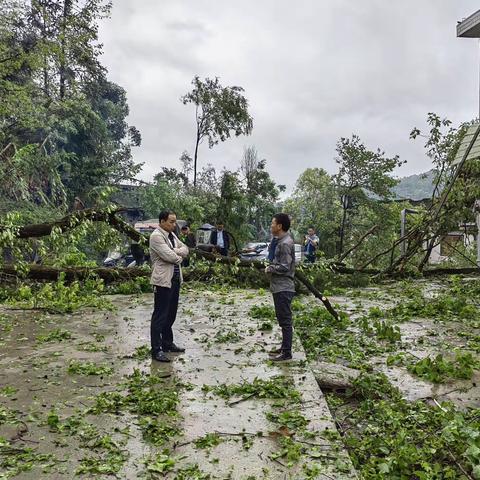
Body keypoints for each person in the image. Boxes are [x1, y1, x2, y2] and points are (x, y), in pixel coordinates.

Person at [149, 210, 189, 362]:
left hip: (175, 279)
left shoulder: (171, 236)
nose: (174, 225)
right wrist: (177, 254)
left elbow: (185, 249)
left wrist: (176, 251)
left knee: (171, 313)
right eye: (171, 222)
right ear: (162, 221)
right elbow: (170, 257)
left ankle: (167, 342)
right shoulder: (156, 236)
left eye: (175, 222)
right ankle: (156, 349)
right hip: (162, 280)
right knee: (160, 315)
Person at [265, 213, 296, 361]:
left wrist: (270, 269)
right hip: (279, 286)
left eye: (272, 224)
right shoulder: (279, 240)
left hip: (284, 287)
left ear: (279, 226)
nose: (271, 226)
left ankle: (287, 353)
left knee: (285, 320)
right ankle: (284, 347)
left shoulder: (285, 243)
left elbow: (285, 266)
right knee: (282, 319)